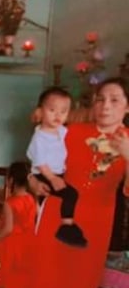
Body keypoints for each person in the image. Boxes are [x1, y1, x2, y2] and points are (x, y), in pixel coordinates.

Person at [26, 77, 129, 288]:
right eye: (100, 99)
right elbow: (40, 158)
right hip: (58, 214)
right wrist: (32, 180)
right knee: (46, 282)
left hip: (96, 221)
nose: (106, 105)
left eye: (114, 99)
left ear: (127, 107)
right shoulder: (72, 131)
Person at [26, 87, 86, 247]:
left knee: (56, 202)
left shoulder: (61, 131)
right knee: (69, 195)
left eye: (63, 111)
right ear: (40, 111)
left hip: (58, 174)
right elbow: (40, 161)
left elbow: (76, 136)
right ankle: (66, 227)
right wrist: (52, 178)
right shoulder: (39, 137)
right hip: (44, 175)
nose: (58, 115)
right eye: (52, 110)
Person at [0, 162, 36, 288]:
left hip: (10, 245)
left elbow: (7, 228)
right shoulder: (31, 199)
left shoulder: (10, 203)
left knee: (5, 279)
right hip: (28, 243)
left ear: (11, 180)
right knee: (19, 277)